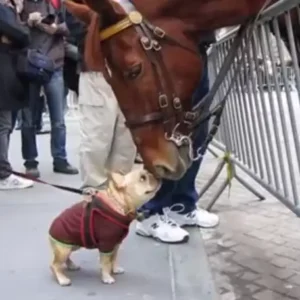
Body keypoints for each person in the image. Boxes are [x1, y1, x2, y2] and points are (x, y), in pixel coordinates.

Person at [136, 33, 220, 243]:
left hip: (196, 45)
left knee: (196, 131)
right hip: (167, 46)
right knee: (172, 133)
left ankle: (181, 204)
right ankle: (150, 212)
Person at [65, 11, 136, 191]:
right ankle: (94, 193)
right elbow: (78, 31)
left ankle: (119, 193)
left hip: (130, 72)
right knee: (97, 139)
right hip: (97, 71)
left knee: (126, 142)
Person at [20, 0, 78, 178]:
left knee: (58, 119)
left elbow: (73, 26)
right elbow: (12, 28)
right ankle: (30, 162)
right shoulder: (22, 3)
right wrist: (27, 22)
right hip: (29, 64)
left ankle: (60, 159)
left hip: (54, 64)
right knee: (28, 119)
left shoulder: (58, 3)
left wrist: (56, 28)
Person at [0, 0, 33, 189]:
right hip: (3, 70)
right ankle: (3, 173)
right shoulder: (4, 9)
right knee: (3, 124)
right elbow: (22, 36)